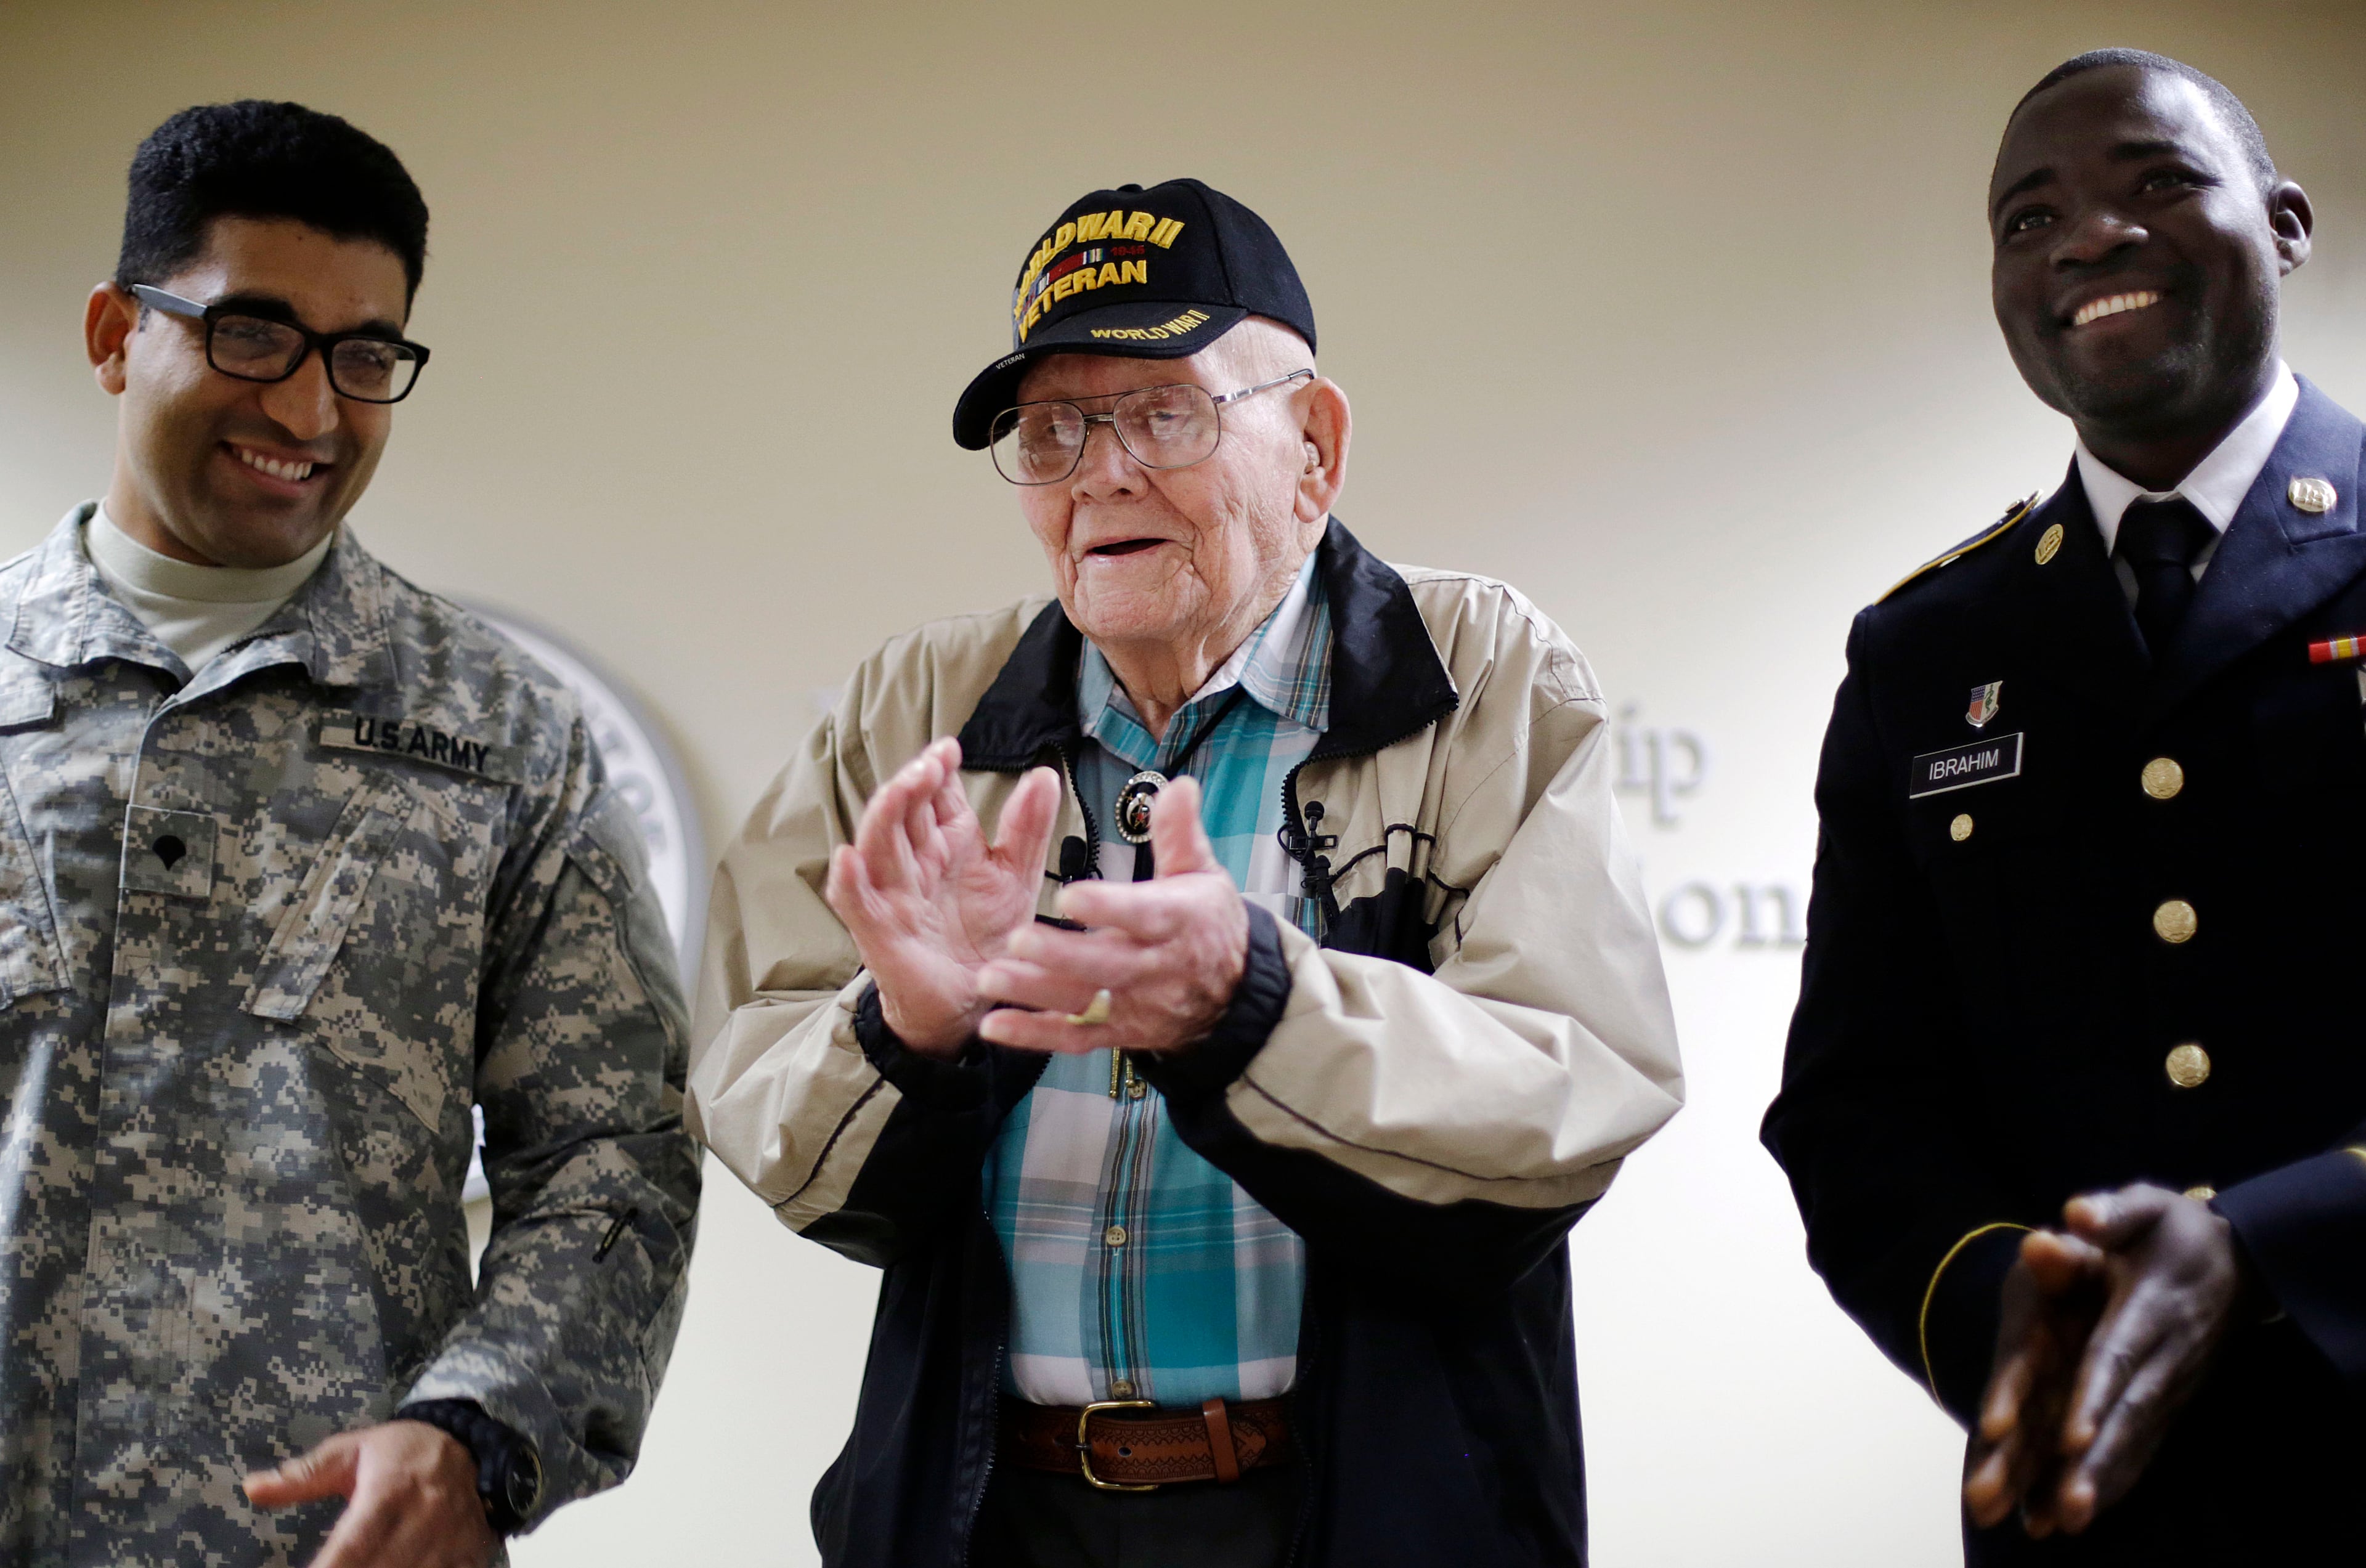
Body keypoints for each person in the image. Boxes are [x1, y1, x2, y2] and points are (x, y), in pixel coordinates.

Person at [691, 177, 1683, 1567]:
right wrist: (909, 1034)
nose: (1102, 473)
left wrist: (1254, 1006)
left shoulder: (1483, 672)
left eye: (1163, 414)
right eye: (1053, 432)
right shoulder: (913, 702)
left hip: (1361, 1510)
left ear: (1315, 446)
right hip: (991, 1513)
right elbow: (762, 1101)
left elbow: (1573, 1085)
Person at [0, 101, 701, 1566]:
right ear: (116, 332)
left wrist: (477, 1429)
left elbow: (610, 1160)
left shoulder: (509, 737)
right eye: (251, 332)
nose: (311, 411)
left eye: (364, 357)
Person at [1763, 48, 2366, 1562]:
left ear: (2285, 224)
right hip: (2095, 1504)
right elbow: (1857, 1102)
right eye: (2029, 219)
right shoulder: (1927, 651)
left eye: (2158, 182)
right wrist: (1999, 1308)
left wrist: (2272, 1245)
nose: (2089, 236)